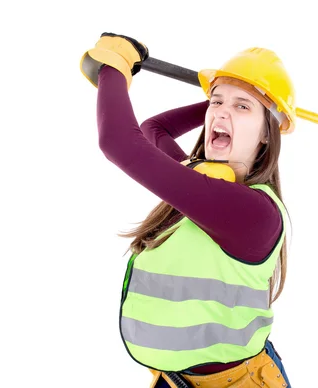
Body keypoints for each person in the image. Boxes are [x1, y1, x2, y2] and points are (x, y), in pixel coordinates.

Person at [80, 33, 296, 388]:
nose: (221, 112)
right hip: (177, 379)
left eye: (243, 107)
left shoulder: (252, 212)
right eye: (216, 103)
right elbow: (154, 129)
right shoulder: (202, 180)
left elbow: (119, 141)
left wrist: (113, 67)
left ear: (267, 134)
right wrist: (228, 98)